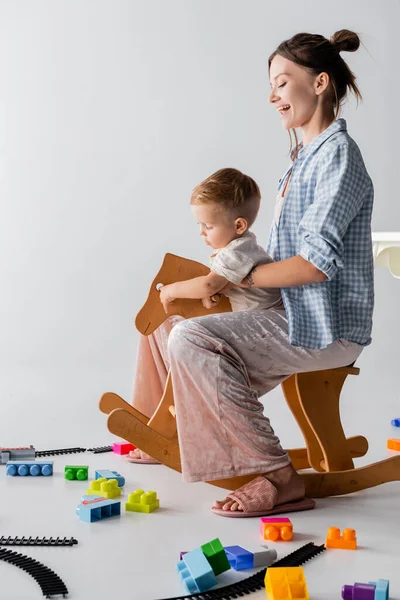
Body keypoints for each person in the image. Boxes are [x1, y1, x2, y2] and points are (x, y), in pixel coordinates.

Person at [129, 29, 374, 518]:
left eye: (283, 83)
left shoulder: (338, 159)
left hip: (325, 327)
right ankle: (163, 428)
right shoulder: (303, 160)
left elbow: (314, 266)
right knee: (170, 324)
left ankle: (278, 476)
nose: (272, 95)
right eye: (272, 85)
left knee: (191, 340)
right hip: (289, 314)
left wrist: (235, 278)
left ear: (320, 83)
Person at [158, 167, 284, 315]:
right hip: (256, 314)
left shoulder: (237, 252)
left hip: (266, 316)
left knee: (189, 327)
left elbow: (208, 284)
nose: (201, 232)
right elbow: (217, 286)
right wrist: (212, 294)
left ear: (239, 225)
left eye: (209, 226)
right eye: (199, 224)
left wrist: (170, 291)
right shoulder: (240, 247)